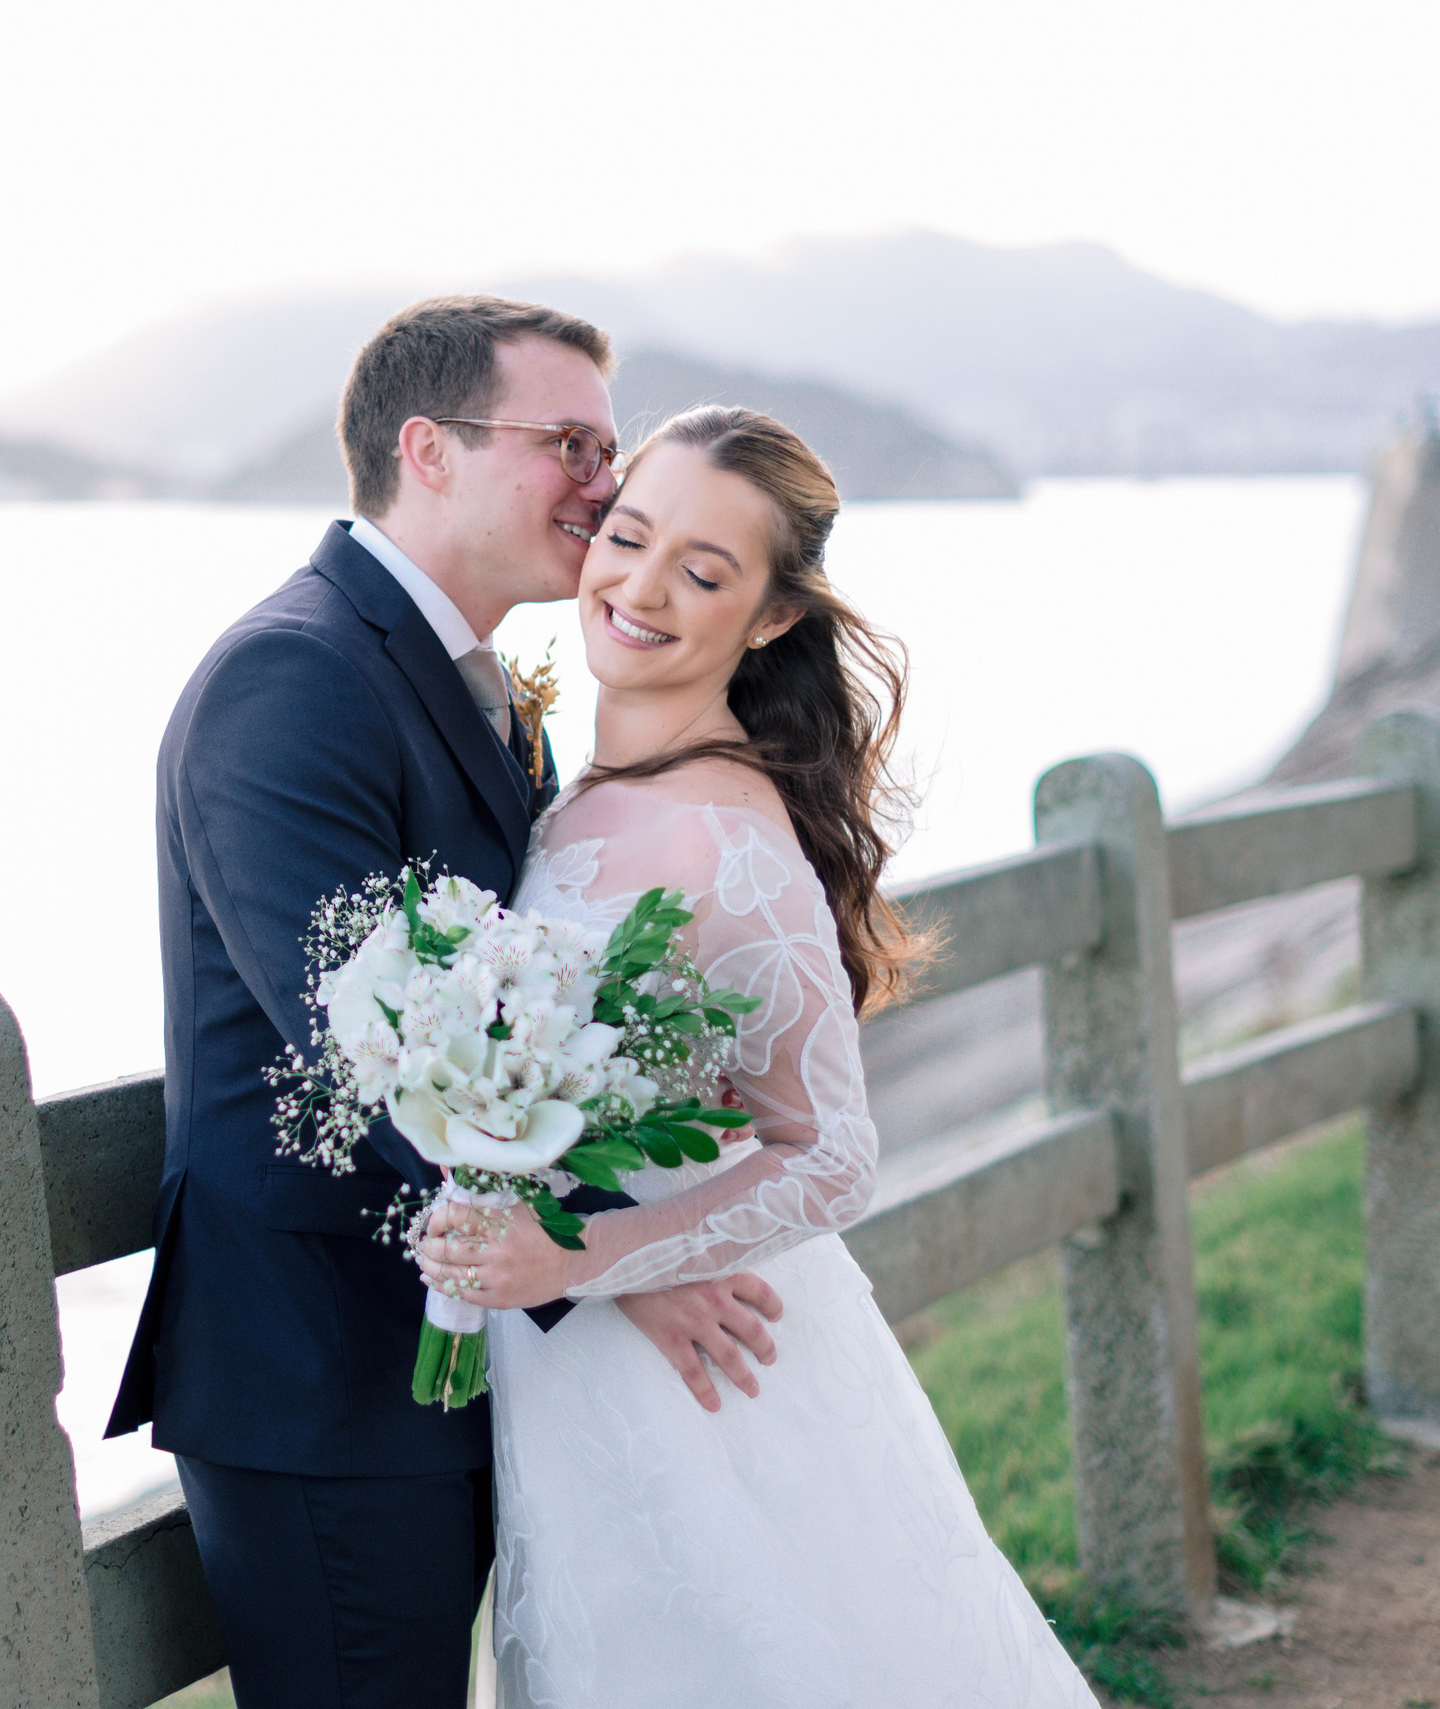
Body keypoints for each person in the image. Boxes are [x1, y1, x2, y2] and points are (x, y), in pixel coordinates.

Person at [108, 298, 789, 1709]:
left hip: (451, 1353)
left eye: (608, 445)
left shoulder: (480, 687)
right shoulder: (291, 676)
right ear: (426, 448)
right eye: (570, 443)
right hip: (323, 1369)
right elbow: (363, 1045)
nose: (605, 486)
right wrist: (614, 1259)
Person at [417, 407, 1096, 1707]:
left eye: (706, 572)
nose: (641, 585)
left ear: (774, 617)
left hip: (704, 1368)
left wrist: (582, 1258)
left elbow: (834, 1155)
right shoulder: (584, 791)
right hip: (587, 1369)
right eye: (629, 534)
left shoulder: (728, 838)